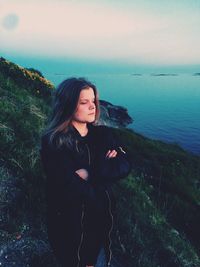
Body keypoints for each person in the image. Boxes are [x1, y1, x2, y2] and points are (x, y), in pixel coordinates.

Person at [40, 77, 131, 267]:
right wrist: (105, 172)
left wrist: (91, 174)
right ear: (68, 106)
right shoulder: (54, 143)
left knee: (100, 258)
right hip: (70, 227)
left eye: (93, 101)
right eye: (84, 102)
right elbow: (70, 188)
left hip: (103, 223)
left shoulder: (103, 134)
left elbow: (125, 164)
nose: (93, 107)